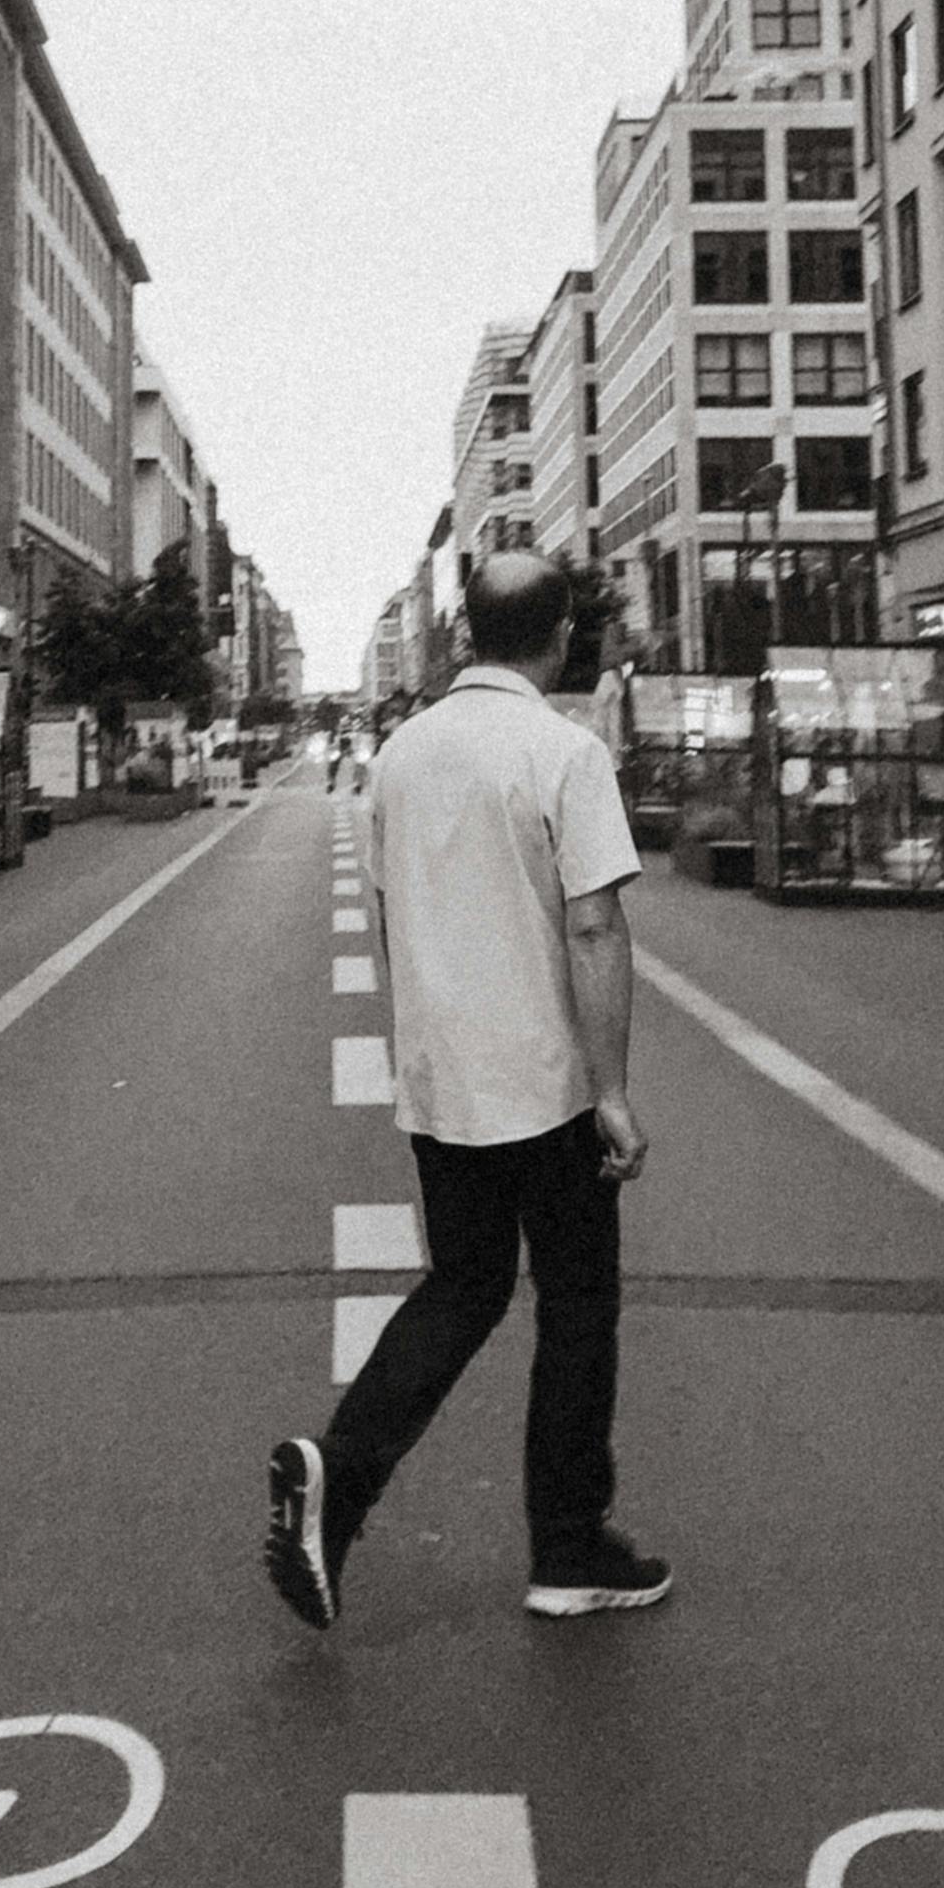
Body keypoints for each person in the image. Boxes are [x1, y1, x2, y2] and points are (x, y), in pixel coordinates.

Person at [265, 550, 669, 1630]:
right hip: (547, 1084)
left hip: (443, 1083)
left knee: (463, 1287)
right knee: (576, 1304)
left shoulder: (399, 755)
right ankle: (568, 1546)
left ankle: (336, 1479)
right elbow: (592, 923)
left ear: (460, 635)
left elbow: (398, 914)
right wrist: (614, 1090)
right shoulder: (562, 752)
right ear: (560, 634)